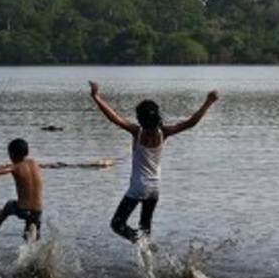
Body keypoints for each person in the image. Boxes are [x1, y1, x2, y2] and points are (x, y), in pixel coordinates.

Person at [89, 81, 219, 243]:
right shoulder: (164, 132)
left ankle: (140, 242)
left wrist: (96, 97)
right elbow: (190, 123)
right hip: (155, 188)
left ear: (140, 118)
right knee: (145, 229)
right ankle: (149, 259)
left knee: (117, 224)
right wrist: (208, 102)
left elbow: (113, 118)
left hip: (138, 187)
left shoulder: (137, 132)